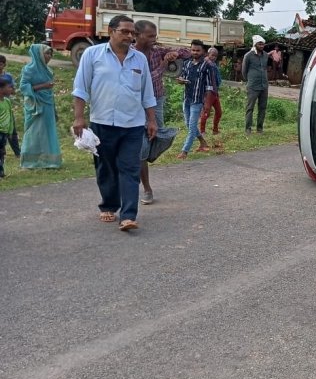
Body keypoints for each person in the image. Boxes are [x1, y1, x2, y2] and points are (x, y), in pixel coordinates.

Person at [72, 14, 157, 232]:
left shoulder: (140, 59)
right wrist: (79, 117)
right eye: (125, 32)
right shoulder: (93, 55)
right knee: (106, 168)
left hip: (133, 125)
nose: (130, 36)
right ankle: (109, 205)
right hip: (102, 122)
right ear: (111, 31)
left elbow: (147, 93)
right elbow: (81, 88)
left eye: (133, 33)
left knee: (129, 168)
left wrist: (151, 120)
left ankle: (128, 215)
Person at [133, 20, 190, 205]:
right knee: (141, 146)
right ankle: (147, 188)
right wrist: (164, 65)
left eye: (154, 36)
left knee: (156, 135)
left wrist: (175, 53)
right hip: (135, 103)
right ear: (137, 35)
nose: (153, 39)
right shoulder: (131, 54)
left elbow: (187, 52)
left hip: (156, 100)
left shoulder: (157, 50)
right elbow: (147, 79)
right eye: (149, 36)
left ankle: (145, 154)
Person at [18, 44, 62, 169]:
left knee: (47, 131)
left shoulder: (48, 70)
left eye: (51, 54)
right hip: (34, 105)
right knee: (34, 131)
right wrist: (44, 86)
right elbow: (23, 87)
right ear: (39, 55)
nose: (49, 56)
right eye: (47, 53)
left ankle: (49, 161)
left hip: (47, 103)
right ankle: (30, 161)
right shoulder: (29, 69)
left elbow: (49, 89)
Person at [176, 41, 218, 159]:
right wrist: (180, 80)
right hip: (187, 98)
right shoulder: (187, 64)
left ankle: (184, 151)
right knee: (189, 125)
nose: (195, 52)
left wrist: (208, 104)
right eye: (193, 50)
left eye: (197, 50)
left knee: (192, 125)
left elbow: (210, 86)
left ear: (203, 51)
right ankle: (202, 142)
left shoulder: (207, 66)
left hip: (198, 100)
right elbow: (182, 77)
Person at [242, 34, 269, 134]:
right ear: (255, 44)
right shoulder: (248, 56)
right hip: (253, 86)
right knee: (250, 108)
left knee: (262, 107)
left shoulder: (266, 55)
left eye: (263, 44)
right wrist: (249, 80)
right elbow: (244, 71)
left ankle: (260, 128)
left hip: (264, 86)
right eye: (260, 44)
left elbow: (265, 68)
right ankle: (248, 128)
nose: (262, 46)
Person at [199, 47, 223, 140]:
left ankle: (215, 129)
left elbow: (217, 79)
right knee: (206, 111)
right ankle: (202, 131)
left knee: (219, 112)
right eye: (212, 55)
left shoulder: (213, 65)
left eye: (215, 56)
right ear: (207, 55)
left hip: (215, 91)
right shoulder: (206, 63)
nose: (214, 57)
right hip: (208, 91)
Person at [0, 54, 21, 158]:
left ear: (4, 65)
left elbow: (13, 91)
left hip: (6, 104)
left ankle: (17, 152)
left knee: (11, 130)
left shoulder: (8, 76)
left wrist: (10, 90)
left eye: (1, 64)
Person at [0, 74, 15, 178]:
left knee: (2, 152)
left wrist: (10, 132)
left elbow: (10, 117)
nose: (11, 89)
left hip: (4, 133)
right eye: (9, 87)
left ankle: (1, 171)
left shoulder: (7, 102)